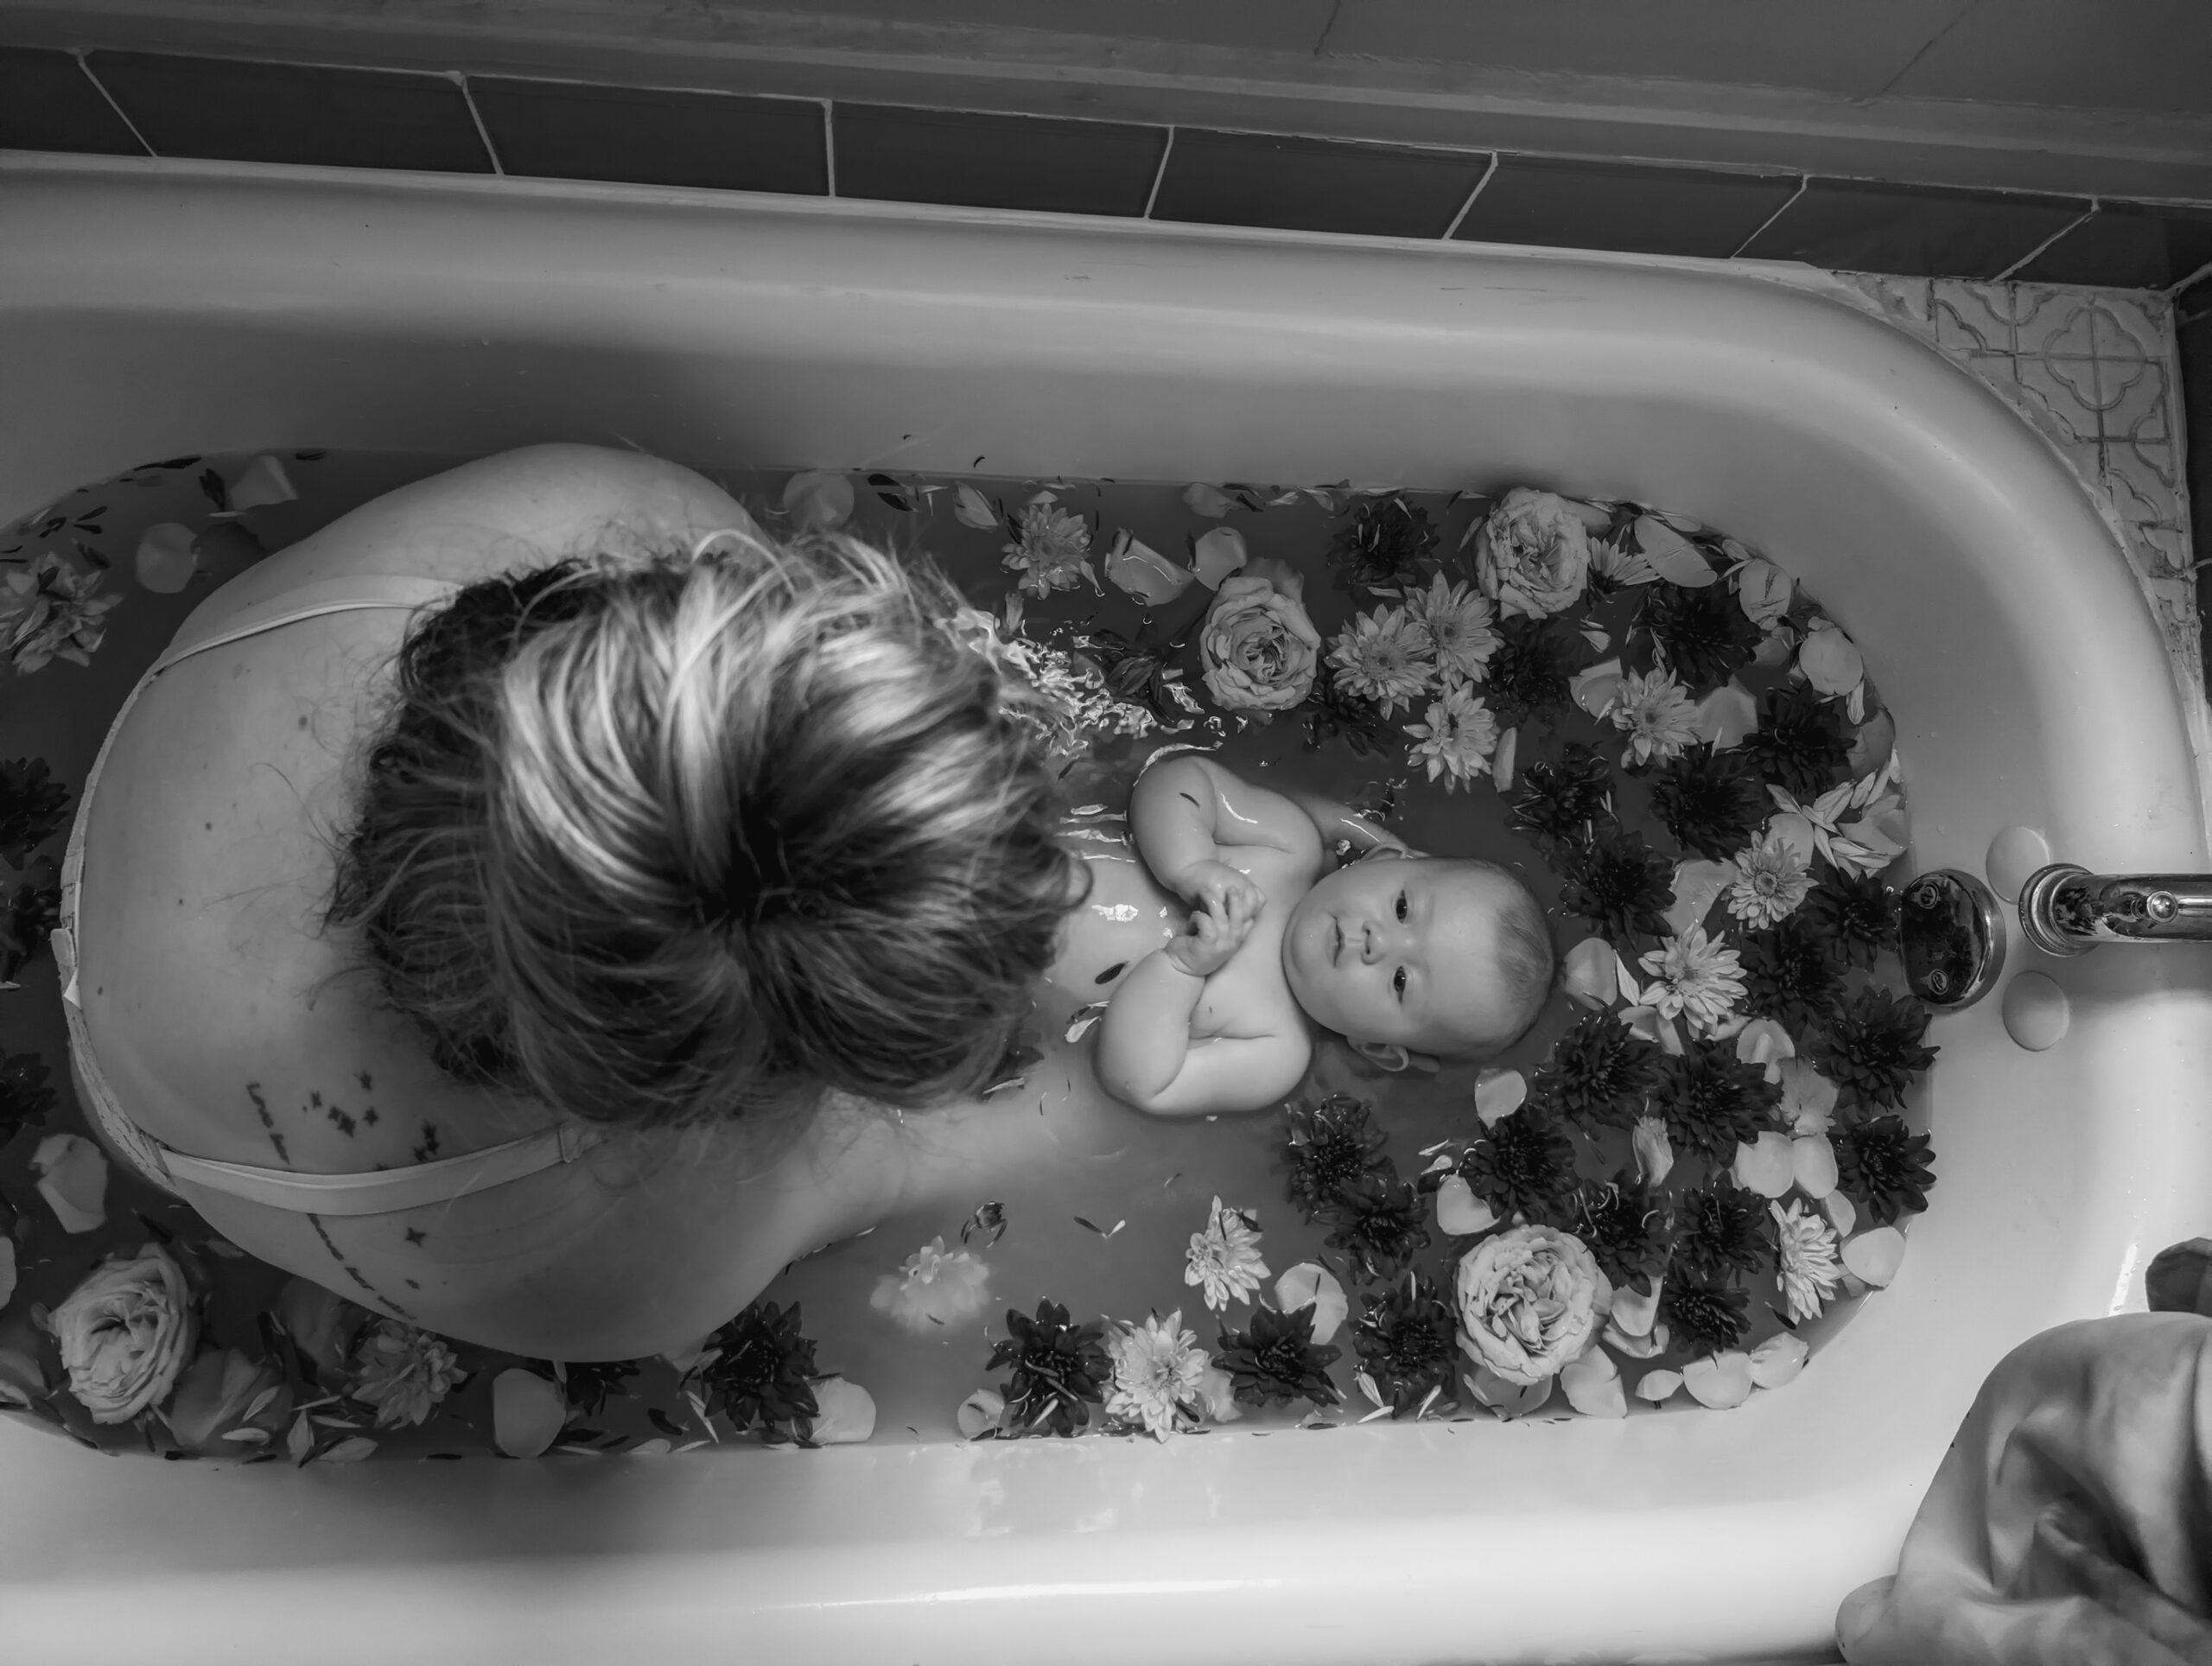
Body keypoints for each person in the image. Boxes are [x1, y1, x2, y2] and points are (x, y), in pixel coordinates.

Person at [53, 444, 1085, 1363]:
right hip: (190, 1129)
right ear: (712, 1098)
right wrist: (1087, 1053)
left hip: (141, 828)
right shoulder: (636, 1269)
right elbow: (1010, 1137)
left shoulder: (597, 505)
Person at [1060, 747, 1555, 1117]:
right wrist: (1191, 865)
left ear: (1374, 1045)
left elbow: (1137, 1083)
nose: (1377, 941)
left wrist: (1180, 971)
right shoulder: (1286, 846)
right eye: (1402, 907)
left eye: (1401, 981)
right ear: (1381, 860)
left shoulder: (1275, 1052)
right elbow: (1174, 779)